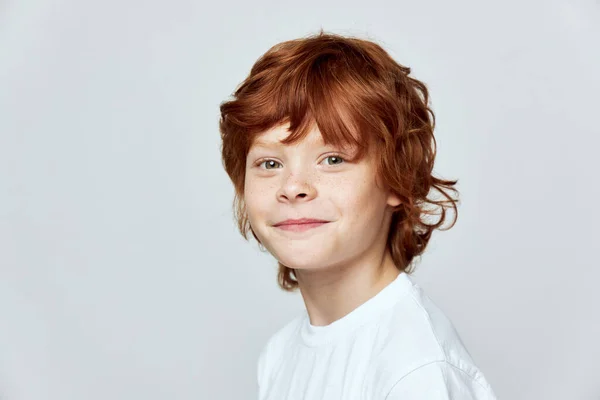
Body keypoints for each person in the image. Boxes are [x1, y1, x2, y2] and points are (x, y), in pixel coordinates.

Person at [218, 30, 497, 400]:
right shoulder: (279, 355)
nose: (293, 186)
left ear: (397, 180)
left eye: (333, 159)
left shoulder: (416, 371)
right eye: (269, 163)